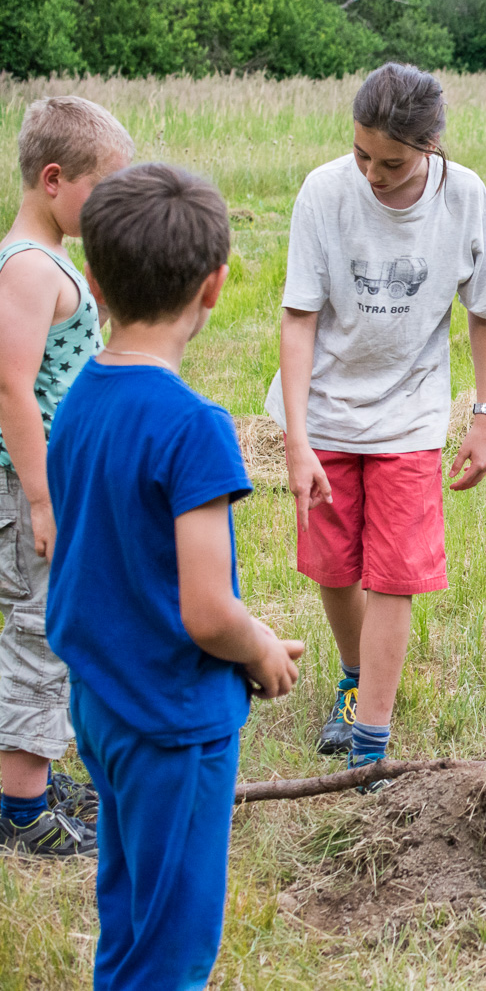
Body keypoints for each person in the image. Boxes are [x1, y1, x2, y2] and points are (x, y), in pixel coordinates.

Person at [48, 162, 304, 989]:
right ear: (215, 285)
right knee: (174, 951)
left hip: (101, 703)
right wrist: (260, 647)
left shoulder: (78, 398)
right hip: (172, 720)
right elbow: (207, 610)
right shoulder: (195, 428)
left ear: (93, 282)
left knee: (130, 910)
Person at [266, 63, 486, 781]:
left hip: (411, 413)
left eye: (392, 163)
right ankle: (354, 679)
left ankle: (371, 740)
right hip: (325, 412)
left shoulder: (464, 197)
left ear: (430, 146)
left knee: (395, 574)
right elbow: (298, 317)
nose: (373, 174)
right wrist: (296, 439)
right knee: (334, 566)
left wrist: (484, 415)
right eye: (362, 155)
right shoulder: (325, 192)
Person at [0, 97, 132, 857]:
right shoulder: (26, 267)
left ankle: (36, 774)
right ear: (54, 180)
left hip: (52, 483)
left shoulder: (48, 262)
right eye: (101, 188)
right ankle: (20, 810)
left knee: (60, 625)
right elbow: (12, 387)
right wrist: (44, 498)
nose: (111, 204)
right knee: (39, 630)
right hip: (32, 489)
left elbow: (64, 360)